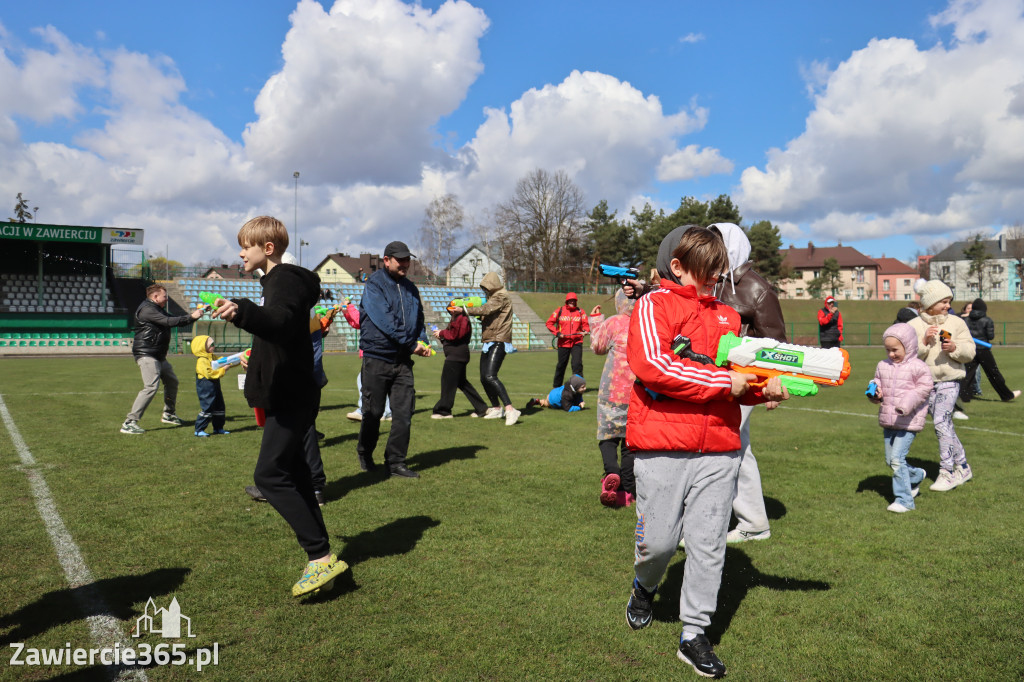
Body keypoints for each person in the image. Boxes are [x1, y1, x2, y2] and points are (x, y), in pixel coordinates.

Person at [622, 225, 788, 678]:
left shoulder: (728, 319)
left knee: (709, 545)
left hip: (720, 447)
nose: (716, 281)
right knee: (657, 544)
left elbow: (737, 383)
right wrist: (726, 382)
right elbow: (654, 367)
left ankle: (694, 633)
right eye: (708, 273)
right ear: (677, 266)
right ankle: (645, 585)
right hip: (661, 445)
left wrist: (763, 388)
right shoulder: (652, 305)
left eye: (720, 273)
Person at [212, 215, 346, 598]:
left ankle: (320, 557)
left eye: (245, 245)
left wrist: (242, 310)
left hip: (291, 393)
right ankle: (322, 556)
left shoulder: (284, 279)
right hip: (292, 390)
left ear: (267, 249)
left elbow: (282, 321)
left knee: (270, 476)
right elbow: (281, 333)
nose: (240, 252)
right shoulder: (276, 282)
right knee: (297, 476)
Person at [710, 222, 788, 543]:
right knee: (736, 448)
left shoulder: (758, 289)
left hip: (745, 379)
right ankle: (752, 521)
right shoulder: (711, 281)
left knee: (727, 446)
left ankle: (728, 521)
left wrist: (772, 384)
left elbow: (776, 343)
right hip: (715, 376)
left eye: (716, 244)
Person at [355, 241, 433, 477]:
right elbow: (384, 321)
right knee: (374, 412)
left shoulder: (410, 287)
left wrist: (423, 340)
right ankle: (365, 453)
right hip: (377, 358)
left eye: (407, 259)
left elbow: (418, 318)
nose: (405, 264)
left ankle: (396, 462)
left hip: (402, 362)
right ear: (386, 260)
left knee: (403, 414)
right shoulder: (375, 285)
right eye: (400, 260)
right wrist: (411, 344)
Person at [906, 279, 976, 492]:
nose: (948, 305)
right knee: (945, 425)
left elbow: (970, 352)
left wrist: (955, 347)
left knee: (940, 423)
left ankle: (946, 472)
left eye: (949, 301)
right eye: (943, 301)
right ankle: (963, 467)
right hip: (925, 384)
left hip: (949, 382)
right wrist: (924, 344)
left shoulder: (956, 323)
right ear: (930, 303)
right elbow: (907, 356)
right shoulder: (914, 326)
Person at [866, 323, 934, 513]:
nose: (891, 354)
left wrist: (906, 404)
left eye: (895, 350)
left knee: (896, 459)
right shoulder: (883, 365)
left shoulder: (918, 367)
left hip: (909, 421)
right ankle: (916, 475)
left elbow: (924, 389)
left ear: (909, 346)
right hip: (889, 420)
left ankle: (904, 501)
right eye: (888, 350)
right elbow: (877, 381)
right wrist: (874, 391)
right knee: (891, 461)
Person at [120, 284, 203, 434]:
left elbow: (174, 319)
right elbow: (168, 322)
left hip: (158, 355)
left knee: (172, 381)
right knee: (151, 387)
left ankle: (169, 414)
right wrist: (192, 316)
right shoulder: (147, 310)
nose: (166, 299)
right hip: (147, 354)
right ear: (155, 297)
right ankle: (129, 422)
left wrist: (195, 315)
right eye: (164, 296)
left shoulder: (157, 309)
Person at [589, 291, 636, 509]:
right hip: (636, 394)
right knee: (629, 444)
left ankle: (612, 473)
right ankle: (628, 491)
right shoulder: (644, 324)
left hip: (612, 391)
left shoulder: (614, 323)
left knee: (608, 437)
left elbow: (598, 347)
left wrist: (596, 321)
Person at [464, 271, 521, 426]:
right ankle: (496, 408)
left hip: (499, 339)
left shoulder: (501, 295)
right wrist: (480, 316)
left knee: (490, 376)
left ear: (492, 284)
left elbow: (487, 309)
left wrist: (464, 309)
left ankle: (510, 409)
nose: (485, 290)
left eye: (486, 287)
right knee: (484, 377)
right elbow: (488, 314)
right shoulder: (493, 297)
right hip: (490, 339)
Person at [960, 298, 1021, 404]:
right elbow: (990, 336)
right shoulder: (987, 320)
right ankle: (1006, 395)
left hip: (970, 348)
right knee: (993, 373)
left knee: (968, 374)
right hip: (984, 350)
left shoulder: (965, 320)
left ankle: (963, 397)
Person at [340, 300, 393, 423]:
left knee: (366, 381)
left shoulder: (375, 305)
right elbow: (357, 324)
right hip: (379, 350)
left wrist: (349, 306)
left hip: (374, 350)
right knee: (382, 381)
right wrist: (346, 312)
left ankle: (367, 410)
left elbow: (360, 320)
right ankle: (388, 412)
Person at [431, 307, 489, 418]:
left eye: (453, 307)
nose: (451, 310)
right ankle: (481, 408)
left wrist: (442, 332)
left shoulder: (463, 318)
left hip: (456, 356)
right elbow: (452, 337)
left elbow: (457, 334)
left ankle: (443, 411)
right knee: (462, 383)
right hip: (457, 355)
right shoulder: (458, 318)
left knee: (447, 383)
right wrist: (441, 337)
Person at [190, 335, 232, 437]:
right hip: (206, 386)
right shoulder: (202, 361)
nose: (214, 346)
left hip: (214, 384)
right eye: (211, 345)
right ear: (203, 347)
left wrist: (233, 359)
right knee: (208, 407)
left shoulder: (212, 357)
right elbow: (210, 374)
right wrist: (224, 369)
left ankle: (218, 428)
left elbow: (220, 362)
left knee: (219, 406)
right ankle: (199, 429)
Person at [546, 292, 590, 388]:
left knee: (577, 365)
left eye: (574, 301)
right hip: (563, 343)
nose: (572, 302)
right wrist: (557, 333)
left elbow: (586, 325)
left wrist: (585, 331)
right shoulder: (560, 311)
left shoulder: (580, 312)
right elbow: (549, 323)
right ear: (566, 301)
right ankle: (556, 387)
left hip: (577, 342)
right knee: (561, 365)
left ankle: (579, 387)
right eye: (570, 301)